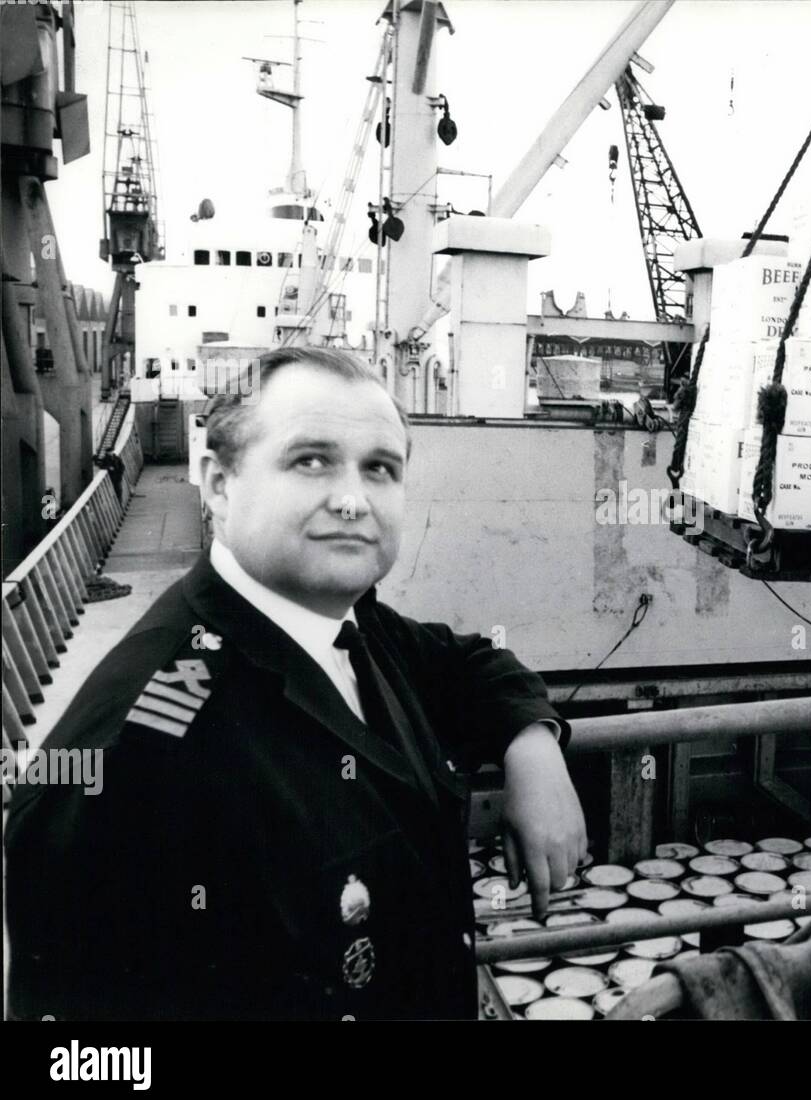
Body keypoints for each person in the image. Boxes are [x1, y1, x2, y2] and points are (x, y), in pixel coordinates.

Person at [5, 347, 587, 1021]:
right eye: (311, 460)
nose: (352, 499)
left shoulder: (355, 629)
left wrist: (534, 748)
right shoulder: (123, 757)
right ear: (218, 484)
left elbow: (471, 664)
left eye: (381, 469)